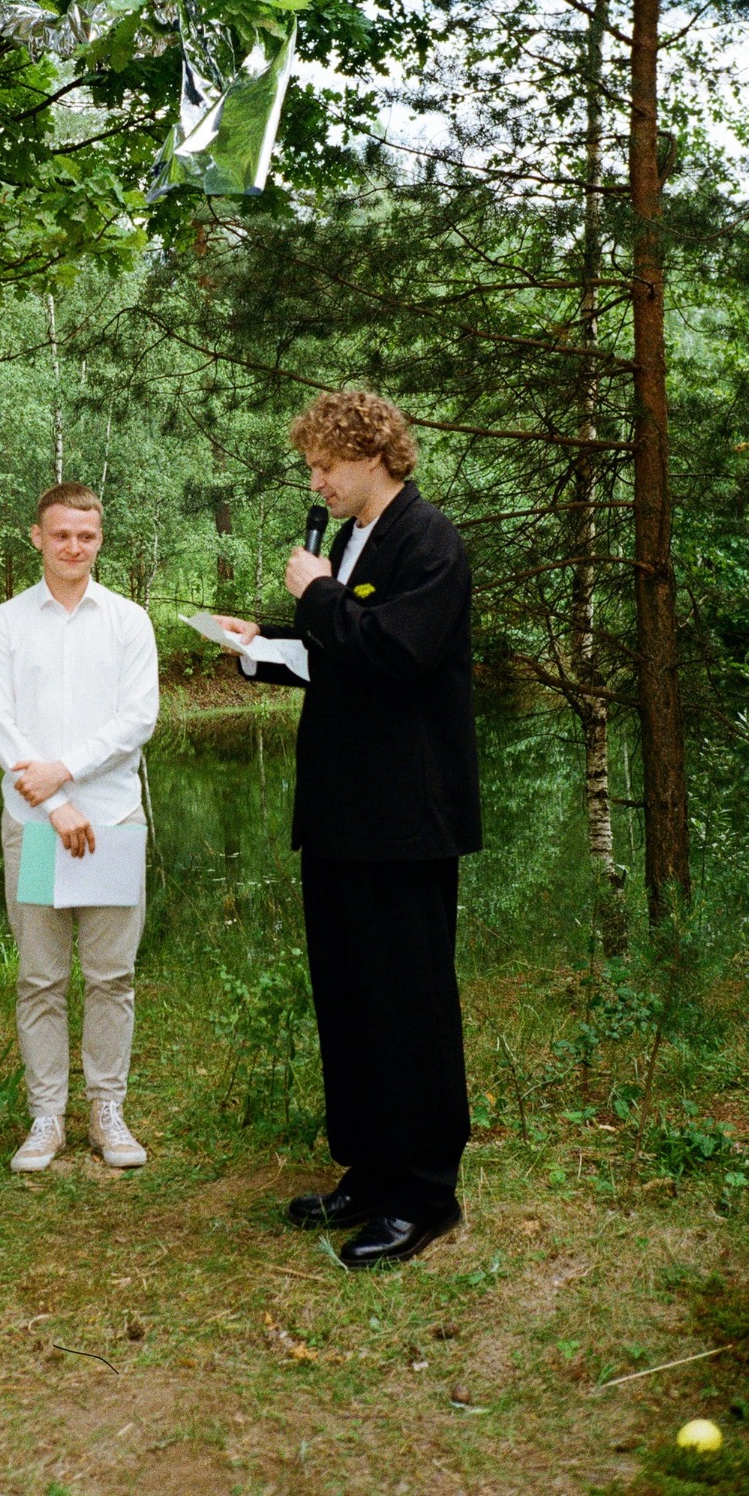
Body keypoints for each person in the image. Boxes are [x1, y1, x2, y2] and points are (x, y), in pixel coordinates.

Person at [217, 389, 481, 1269]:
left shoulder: (429, 540)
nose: (317, 482)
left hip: (406, 819)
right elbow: (342, 656)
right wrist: (259, 645)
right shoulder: (352, 541)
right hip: (340, 815)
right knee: (352, 997)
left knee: (409, 1004)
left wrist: (322, 596)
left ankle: (427, 1195)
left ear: (372, 455)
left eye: (326, 466)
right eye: (312, 468)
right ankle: (371, 1172)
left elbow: (400, 653)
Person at [0, 482, 159, 1174]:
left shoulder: (128, 622)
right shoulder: (5, 624)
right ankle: (46, 1117)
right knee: (40, 977)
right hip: (36, 823)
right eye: (61, 535)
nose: (73, 547)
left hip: (112, 817)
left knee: (112, 976)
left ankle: (108, 1111)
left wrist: (67, 772)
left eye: (86, 535)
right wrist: (53, 800)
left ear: (99, 539)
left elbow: (137, 718)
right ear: (38, 537)